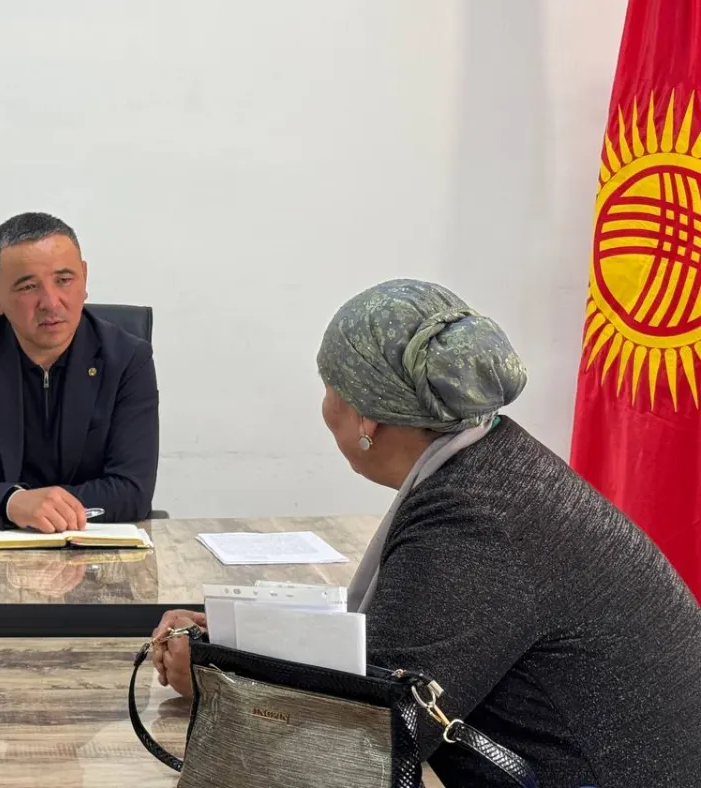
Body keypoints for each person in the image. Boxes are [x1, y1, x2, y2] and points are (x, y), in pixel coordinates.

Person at [151, 279, 701, 788]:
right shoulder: (495, 463)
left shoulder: (475, 522)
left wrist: (217, 681)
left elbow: (360, 749)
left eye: (329, 389)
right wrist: (243, 646)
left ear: (366, 418)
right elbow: (400, 647)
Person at [0, 212, 159, 532]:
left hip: (91, 549)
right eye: (28, 287)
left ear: (84, 278)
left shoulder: (127, 359)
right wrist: (12, 504)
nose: (51, 303)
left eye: (64, 280)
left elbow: (131, 491)